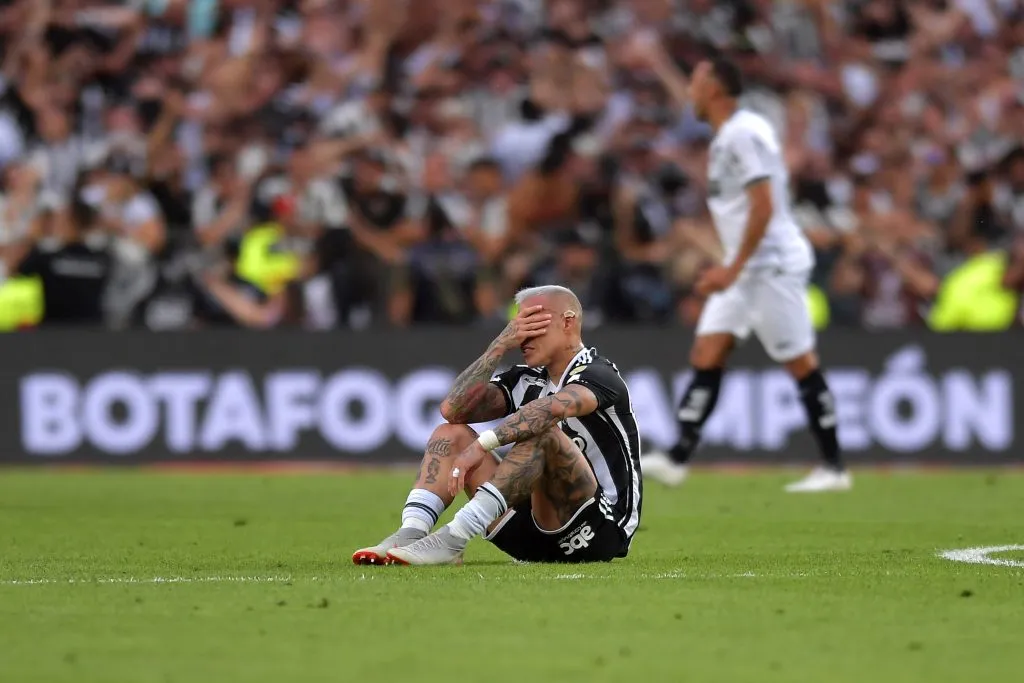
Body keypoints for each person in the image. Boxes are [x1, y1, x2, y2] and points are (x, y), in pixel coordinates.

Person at [633, 43, 851, 493]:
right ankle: (677, 457)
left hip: (769, 266)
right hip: (745, 268)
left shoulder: (740, 135)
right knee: (707, 353)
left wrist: (730, 270)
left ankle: (834, 467)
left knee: (799, 363)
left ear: (712, 88)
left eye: (693, 82)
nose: (688, 92)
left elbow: (764, 206)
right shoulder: (731, 135)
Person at [352, 285, 642, 565]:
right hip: (527, 530)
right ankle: (411, 533)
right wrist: (499, 345)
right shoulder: (527, 378)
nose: (522, 335)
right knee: (450, 434)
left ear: (568, 321)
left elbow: (547, 410)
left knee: (542, 432)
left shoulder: (599, 374)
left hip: (598, 528)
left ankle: (454, 537)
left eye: (532, 322)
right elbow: (452, 409)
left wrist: (482, 445)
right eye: (517, 324)